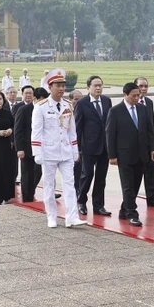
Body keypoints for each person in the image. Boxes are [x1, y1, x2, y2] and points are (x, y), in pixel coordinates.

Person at [31, 69, 86, 228]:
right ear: (50, 86)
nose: (61, 88)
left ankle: (71, 217)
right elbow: (37, 131)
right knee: (49, 186)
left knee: (70, 184)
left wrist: (75, 149)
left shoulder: (68, 105)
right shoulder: (41, 107)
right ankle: (52, 216)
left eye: (63, 85)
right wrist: (37, 152)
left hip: (66, 151)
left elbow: (72, 130)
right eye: (58, 85)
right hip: (49, 152)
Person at [107, 82, 154, 226]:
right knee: (128, 185)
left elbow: (149, 131)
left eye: (138, 95)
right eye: (134, 95)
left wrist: (152, 148)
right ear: (125, 95)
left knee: (135, 185)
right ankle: (132, 214)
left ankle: (124, 210)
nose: (137, 98)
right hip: (124, 155)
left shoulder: (142, 109)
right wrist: (112, 156)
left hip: (142, 154)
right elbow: (110, 134)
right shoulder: (116, 111)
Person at [75, 75, 113, 216]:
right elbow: (77, 128)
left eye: (100, 85)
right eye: (95, 86)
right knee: (87, 174)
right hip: (88, 147)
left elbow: (110, 124)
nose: (98, 88)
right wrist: (77, 148)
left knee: (101, 177)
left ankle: (98, 205)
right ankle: (82, 201)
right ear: (88, 88)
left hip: (105, 147)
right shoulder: (82, 103)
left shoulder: (107, 101)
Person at [135, 76, 154, 207]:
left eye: (145, 86)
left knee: (151, 172)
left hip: (148, 145)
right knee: (135, 177)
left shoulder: (149, 102)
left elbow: (151, 128)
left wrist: (153, 148)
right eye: (141, 86)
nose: (143, 89)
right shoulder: (131, 103)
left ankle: (153, 198)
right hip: (135, 146)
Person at [15, 86, 38, 202]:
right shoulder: (22, 109)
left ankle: (31, 191)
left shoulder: (41, 109)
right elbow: (18, 130)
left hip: (39, 148)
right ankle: (26, 196)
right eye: (26, 93)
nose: (29, 95)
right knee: (26, 173)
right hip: (26, 147)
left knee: (37, 172)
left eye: (31, 93)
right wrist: (20, 148)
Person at [68, 90, 83, 196]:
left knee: (79, 169)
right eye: (76, 99)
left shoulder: (84, 109)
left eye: (80, 99)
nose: (78, 102)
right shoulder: (66, 112)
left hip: (80, 145)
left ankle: (77, 189)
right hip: (67, 145)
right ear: (70, 100)